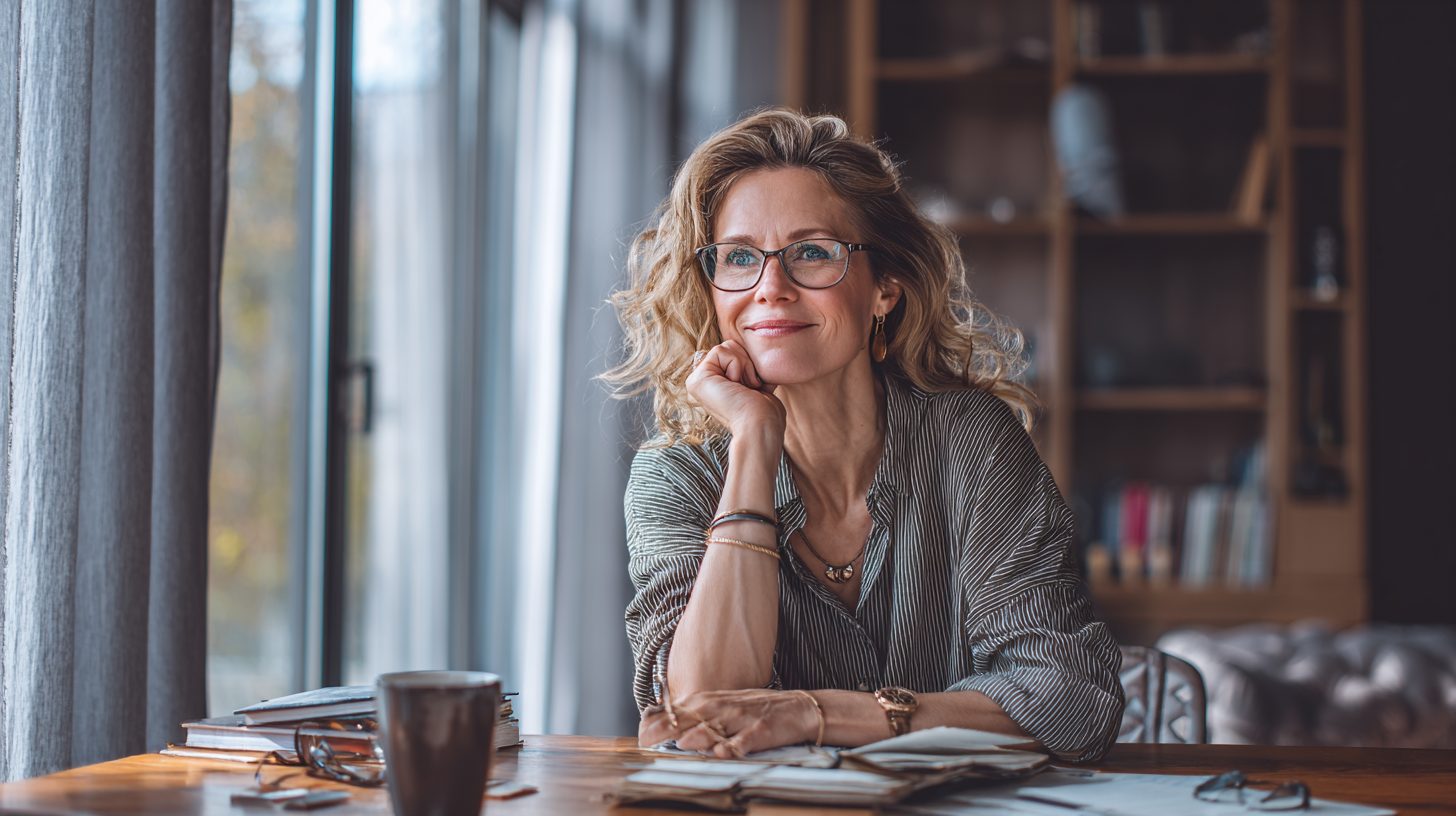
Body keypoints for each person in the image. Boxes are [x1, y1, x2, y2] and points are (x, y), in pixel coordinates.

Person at [604, 108, 1123, 763]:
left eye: (812, 253)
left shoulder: (971, 443)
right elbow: (699, 713)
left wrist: (818, 714)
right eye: (739, 258)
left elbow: (1068, 696)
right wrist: (756, 443)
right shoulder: (675, 476)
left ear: (884, 287)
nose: (770, 288)